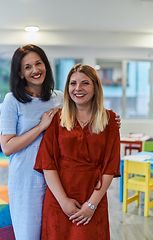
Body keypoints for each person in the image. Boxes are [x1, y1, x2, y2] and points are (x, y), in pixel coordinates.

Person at [34, 63, 121, 240]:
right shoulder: (56, 118)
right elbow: (47, 162)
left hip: (93, 198)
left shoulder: (110, 120)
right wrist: (64, 201)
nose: (78, 88)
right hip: (59, 198)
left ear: (96, 88)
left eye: (85, 83)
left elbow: (110, 167)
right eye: (73, 83)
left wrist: (92, 204)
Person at [0, 44, 63, 240]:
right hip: (25, 180)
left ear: (46, 65)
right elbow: (7, 147)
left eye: (38, 63)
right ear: (20, 72)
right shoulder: (12, 100)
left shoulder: (59, 97)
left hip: (58, 178)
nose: (35, 70)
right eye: (27, 67)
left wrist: (109, 119)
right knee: (29, 235)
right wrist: (40, 127)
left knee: (54, 233)